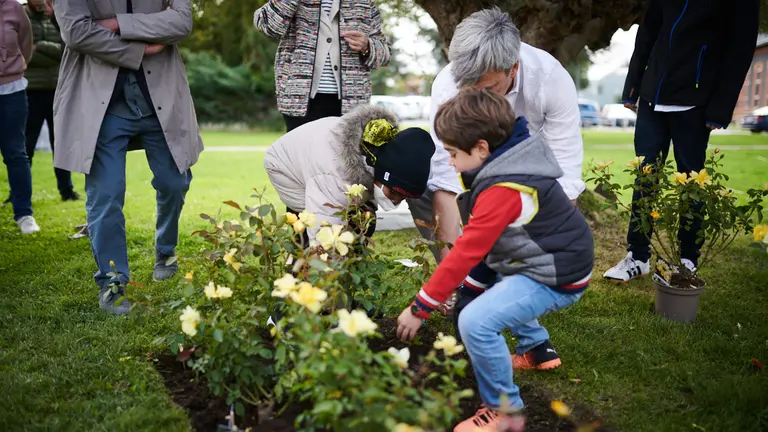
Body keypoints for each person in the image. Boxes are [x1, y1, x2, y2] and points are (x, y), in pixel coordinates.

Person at [396, 89, 594, 432]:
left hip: (556, 273)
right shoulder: (510, 163)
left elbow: (467, 250)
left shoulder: (506, 188)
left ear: (482, 148)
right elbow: (492, 248)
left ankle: (505, 412)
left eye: (453, 153)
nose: (452, 163)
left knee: (476, 322)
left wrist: (421, 307)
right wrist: (471, 286)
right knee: (491, 296)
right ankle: (537, 352)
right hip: (547, 258)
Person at [411, 7, 585, 368]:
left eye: (488, 88)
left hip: (529, 170)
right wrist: (456, 284)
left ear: (513, 69)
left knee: (507, 253)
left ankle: (524, 361)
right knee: (493, 255)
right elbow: (445, 178)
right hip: (482, 172)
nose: (477, 97)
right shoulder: (447, 86)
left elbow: (565, 170)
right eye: (468, 89)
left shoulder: (551, 80)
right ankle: (537, 348)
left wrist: (549, 245)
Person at [53, 0, 203, 315]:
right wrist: (140, 49)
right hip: (100, 104)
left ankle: (165, 250)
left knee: (174, 181)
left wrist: (116, 24)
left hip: (159, 93)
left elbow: (181, 22)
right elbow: (76, 32)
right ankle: (112, 282)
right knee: (105, 195)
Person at [603, 0, 760, 282]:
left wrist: (720, 109)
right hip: (653, 98)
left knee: (691, 182)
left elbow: (740, 50)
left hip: (696, 103)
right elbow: (648, 33)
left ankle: (687, 259)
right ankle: (638, 257)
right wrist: (633, 87)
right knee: (645, 177)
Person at [264, 105, 435, 240]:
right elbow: (324, 227)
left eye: (404, 197)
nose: (397, 200)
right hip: (284, 166)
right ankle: (299, 273)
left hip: (319, 156)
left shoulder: (382, 156)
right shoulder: (335, 175)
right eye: (394, 193)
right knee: (318, 229)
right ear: (383, 174)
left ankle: (346, 263)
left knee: (364, 221)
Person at [254, 0, 391, 132]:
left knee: (345, 155)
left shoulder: (364, 3)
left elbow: (384, 55)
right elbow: (268, 27)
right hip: (298, 100)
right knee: (302, 155)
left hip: (352, 105)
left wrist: (367, 45)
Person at [24, 0, 80, 202]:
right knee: (26, 145)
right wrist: (40, 52)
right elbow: (22, 53)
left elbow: (68, 49)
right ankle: (19, 194)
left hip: (58, 91)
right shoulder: (21, 18)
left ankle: (67, 191)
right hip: (31, 91)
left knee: (61, 144)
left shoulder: (56, 19)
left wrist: (39, 47)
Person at [0, 0, 40, 235]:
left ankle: (24, 214)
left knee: (16, 152)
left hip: (11, 91)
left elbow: (26, 45)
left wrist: (12, 69)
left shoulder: (14, 8)